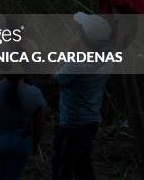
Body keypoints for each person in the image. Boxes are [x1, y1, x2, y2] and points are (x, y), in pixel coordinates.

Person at [52, 12, 111, 180]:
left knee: (62, 168)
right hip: (91, 120)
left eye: (80, 31)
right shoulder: (108, 57)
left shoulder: (77, 63)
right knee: (83, 164)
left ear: (84, 37)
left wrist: (67, 52)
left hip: (72, 123)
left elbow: (54, 77)